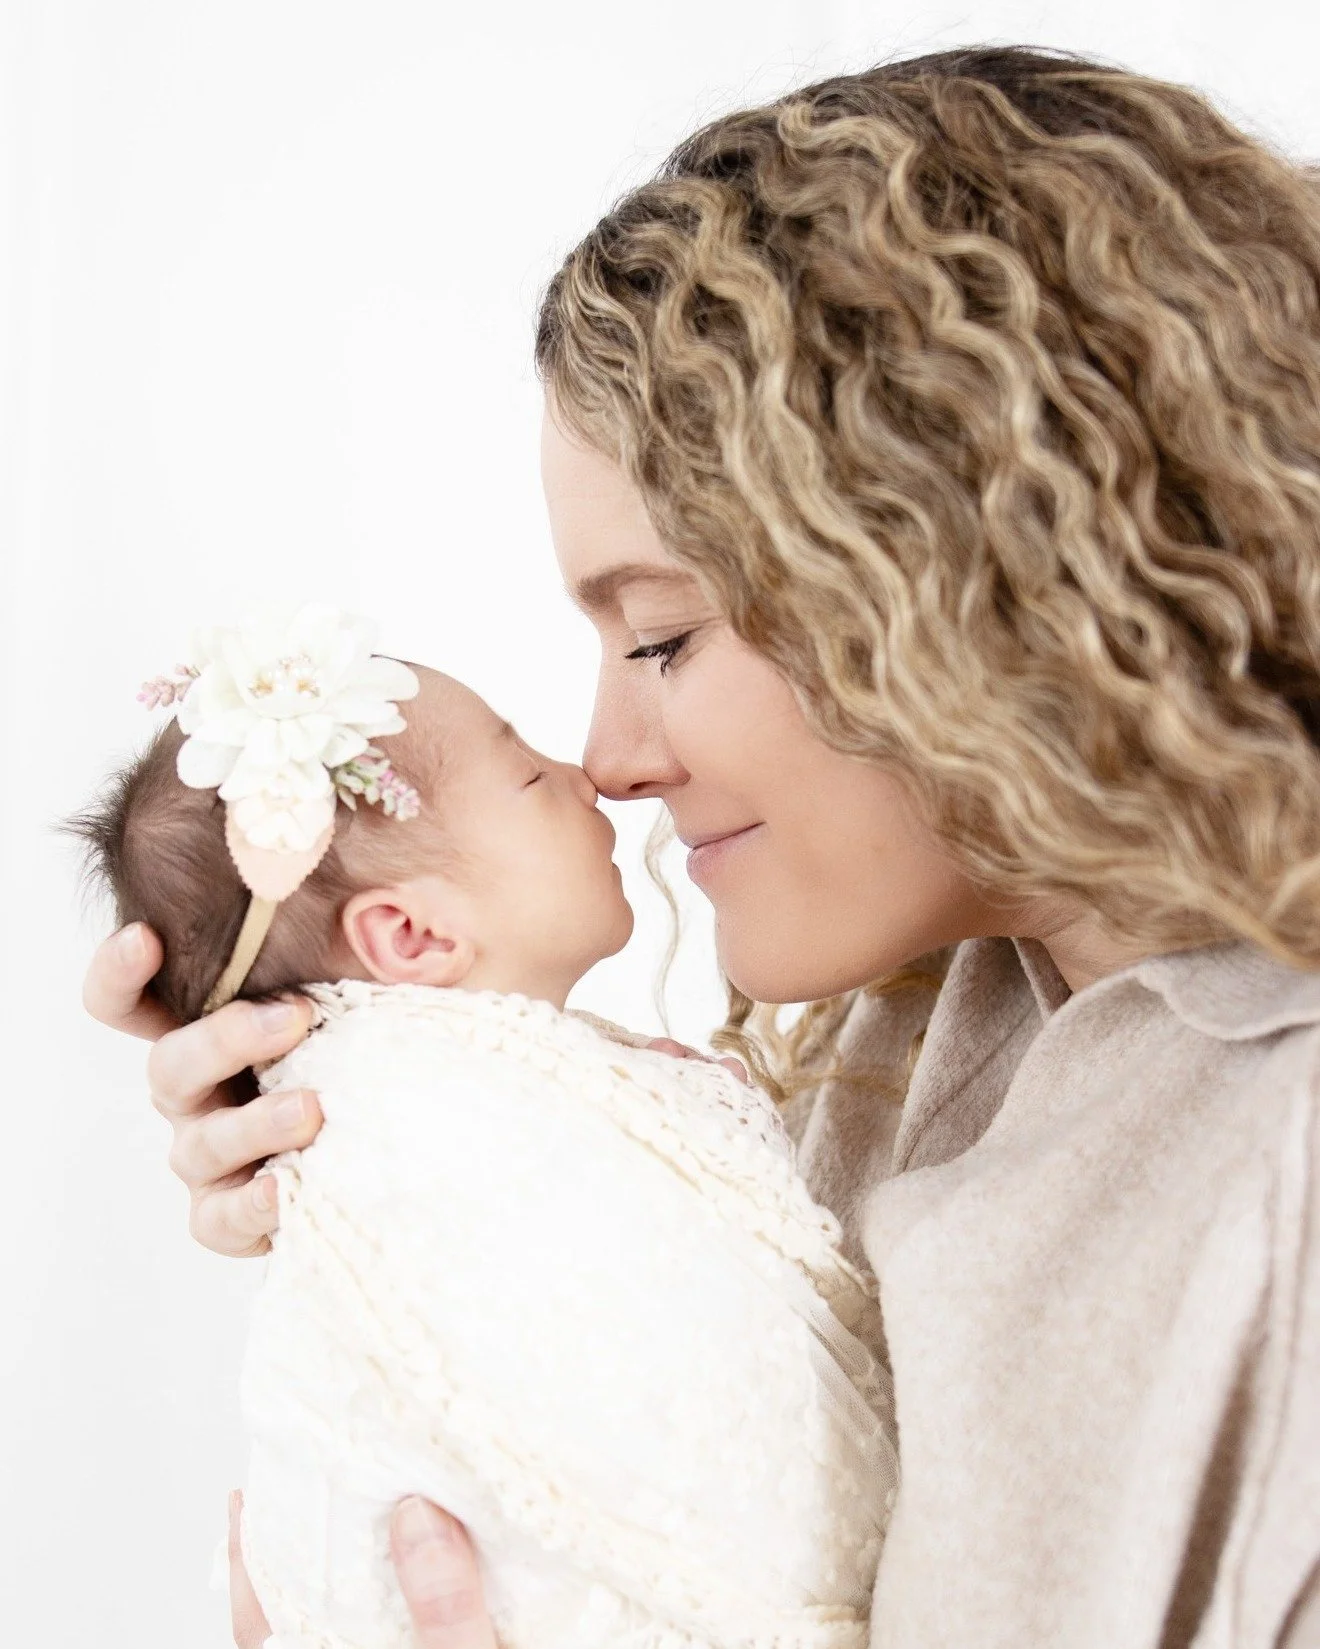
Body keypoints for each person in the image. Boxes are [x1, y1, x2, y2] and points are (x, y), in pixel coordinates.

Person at [84, 44, 1320, 1648]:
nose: (606, 756)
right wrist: (409, 1187)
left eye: (660, 637)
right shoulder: (905, 1036)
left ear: (980, 578)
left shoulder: (1273, 1167)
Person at [71, 633, 897, 1648]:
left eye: (663, 639)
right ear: (412, 937)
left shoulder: (526, 1103)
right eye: (526, 773)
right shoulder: (428, 1130)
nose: (587, 773)